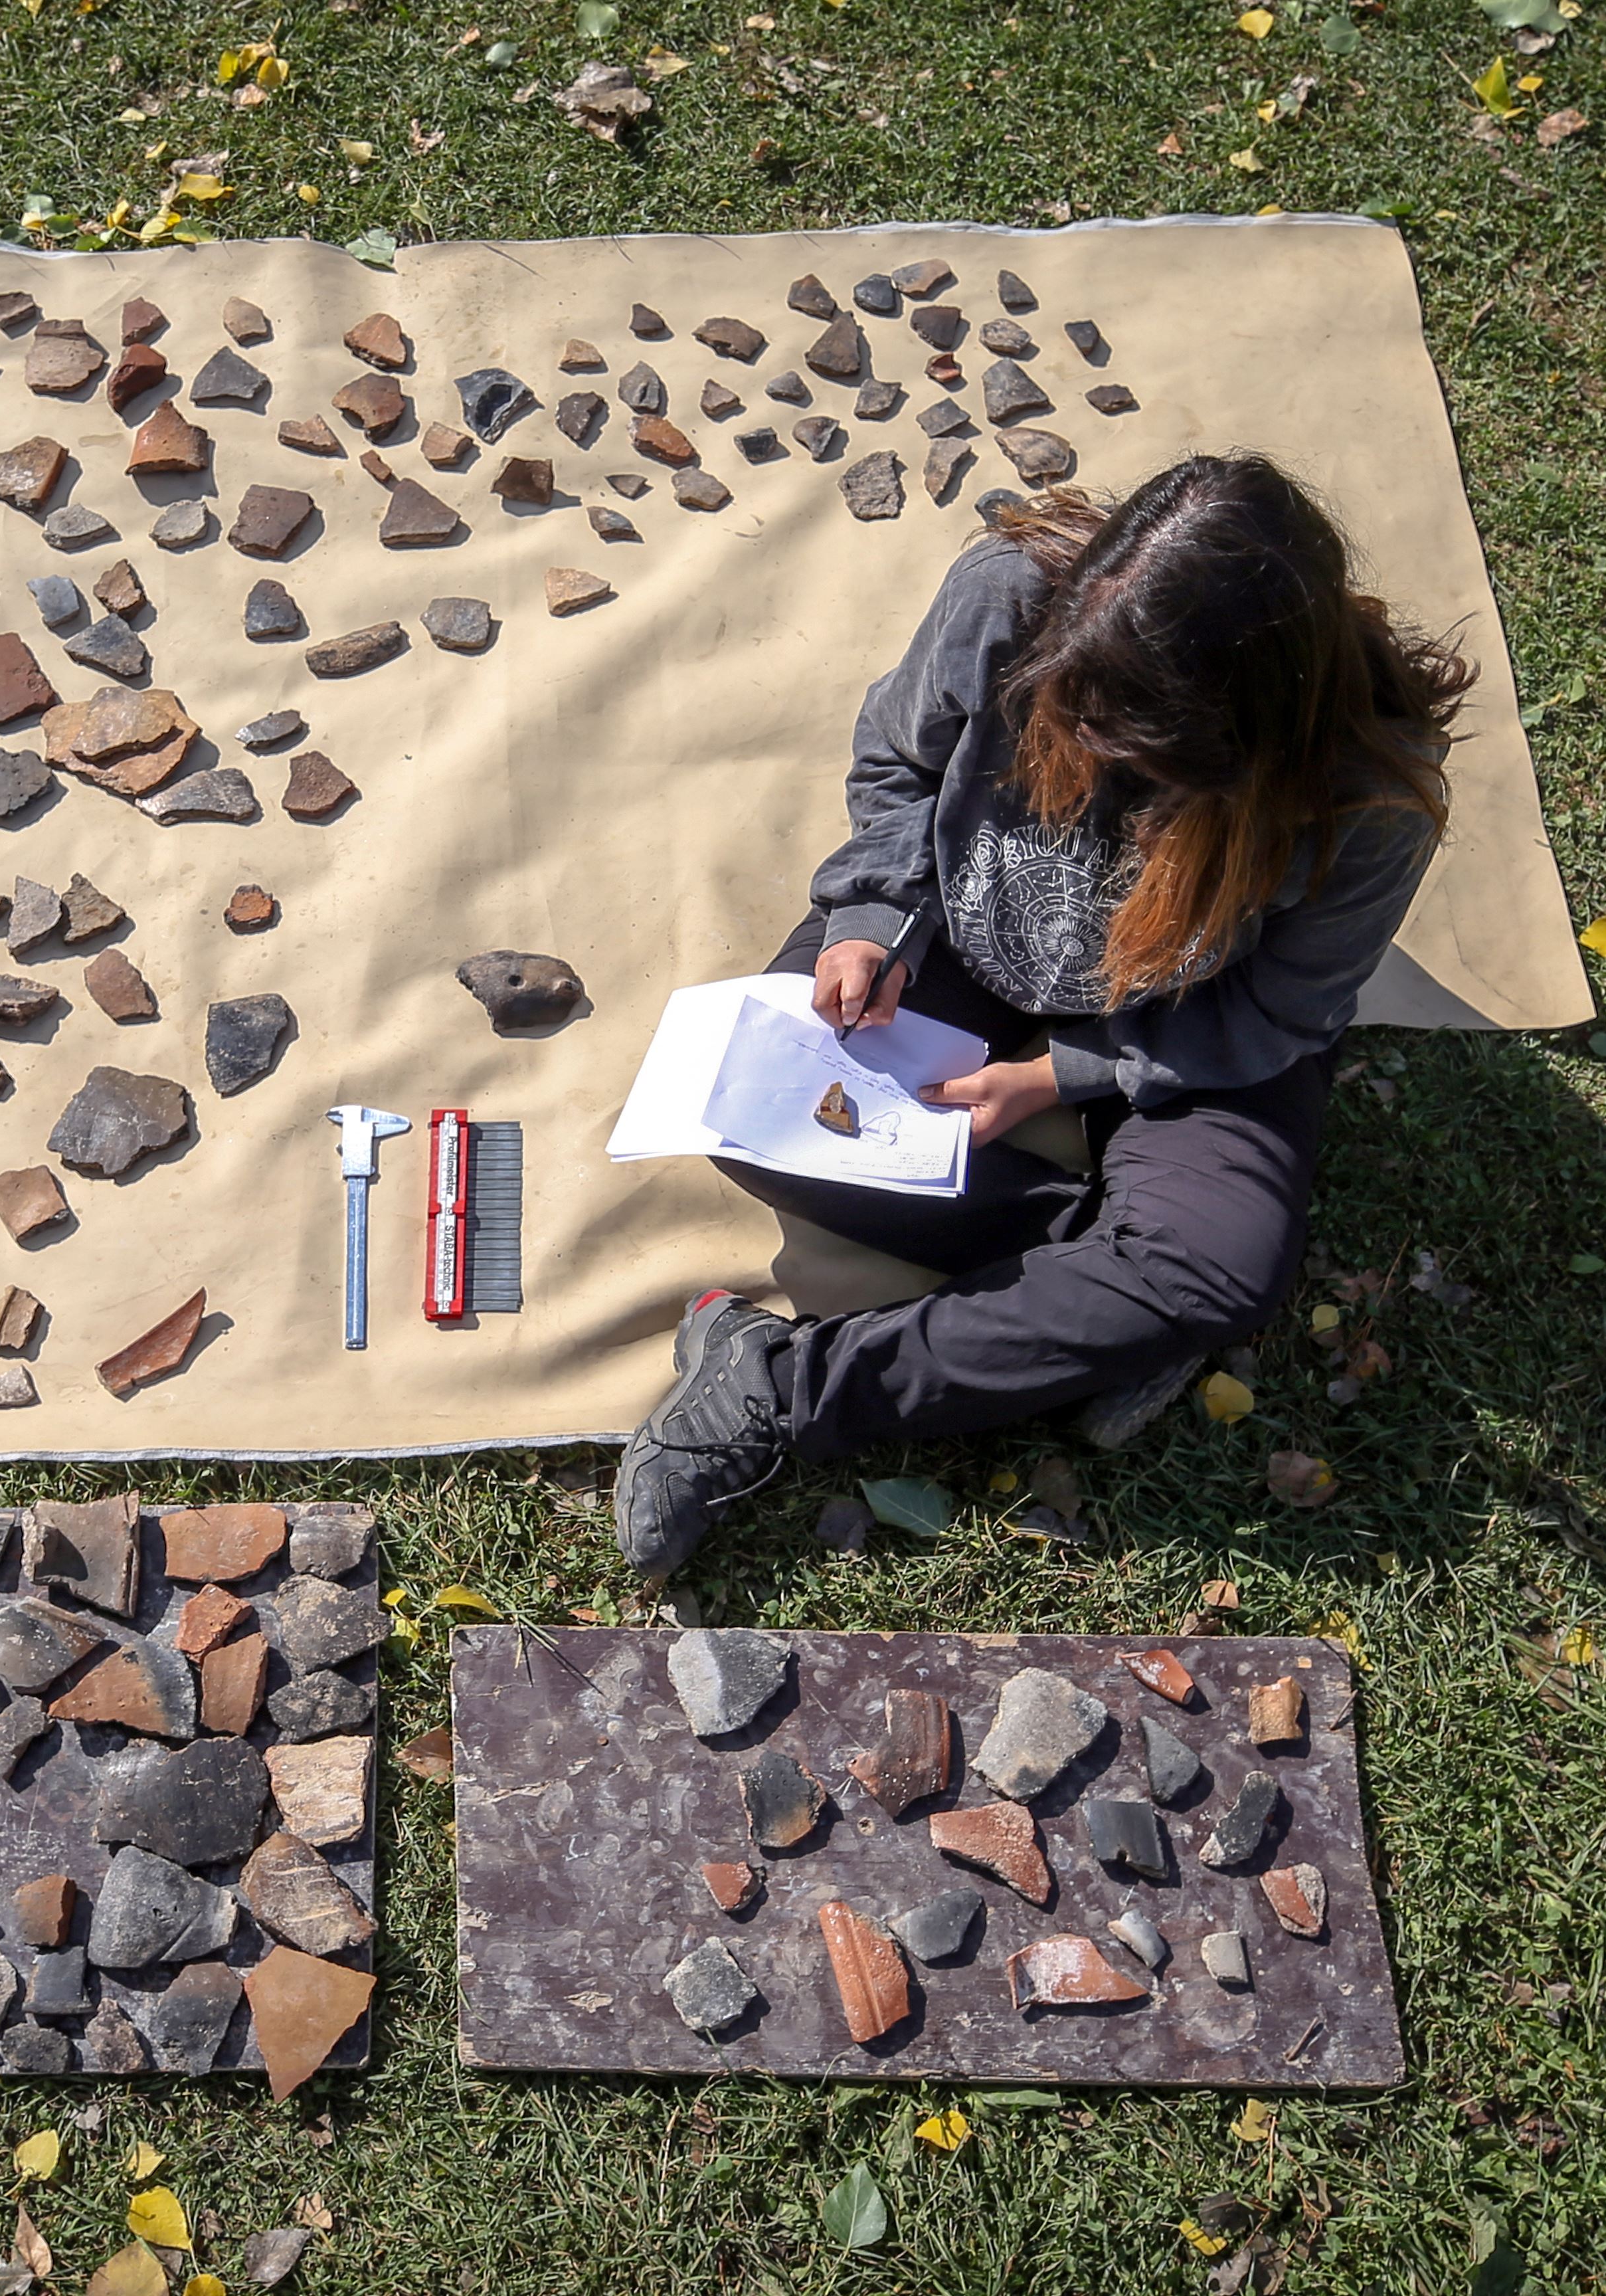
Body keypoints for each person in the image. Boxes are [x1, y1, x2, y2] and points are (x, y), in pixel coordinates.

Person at [615, 453, 1472, 1576]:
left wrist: (1056, 1078)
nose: (1095, 761)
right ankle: (1105, 1304)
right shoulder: (1008, 596)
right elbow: (898, 764)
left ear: (1245, 738)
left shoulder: (1367, 797)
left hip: (1188, 1020)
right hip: (960, 934)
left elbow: (1277, 1015)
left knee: (1218, 1270)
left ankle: (772, 1389)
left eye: (1143, 753)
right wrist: (871, 919)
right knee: (751, 1116)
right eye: (1078, 720)